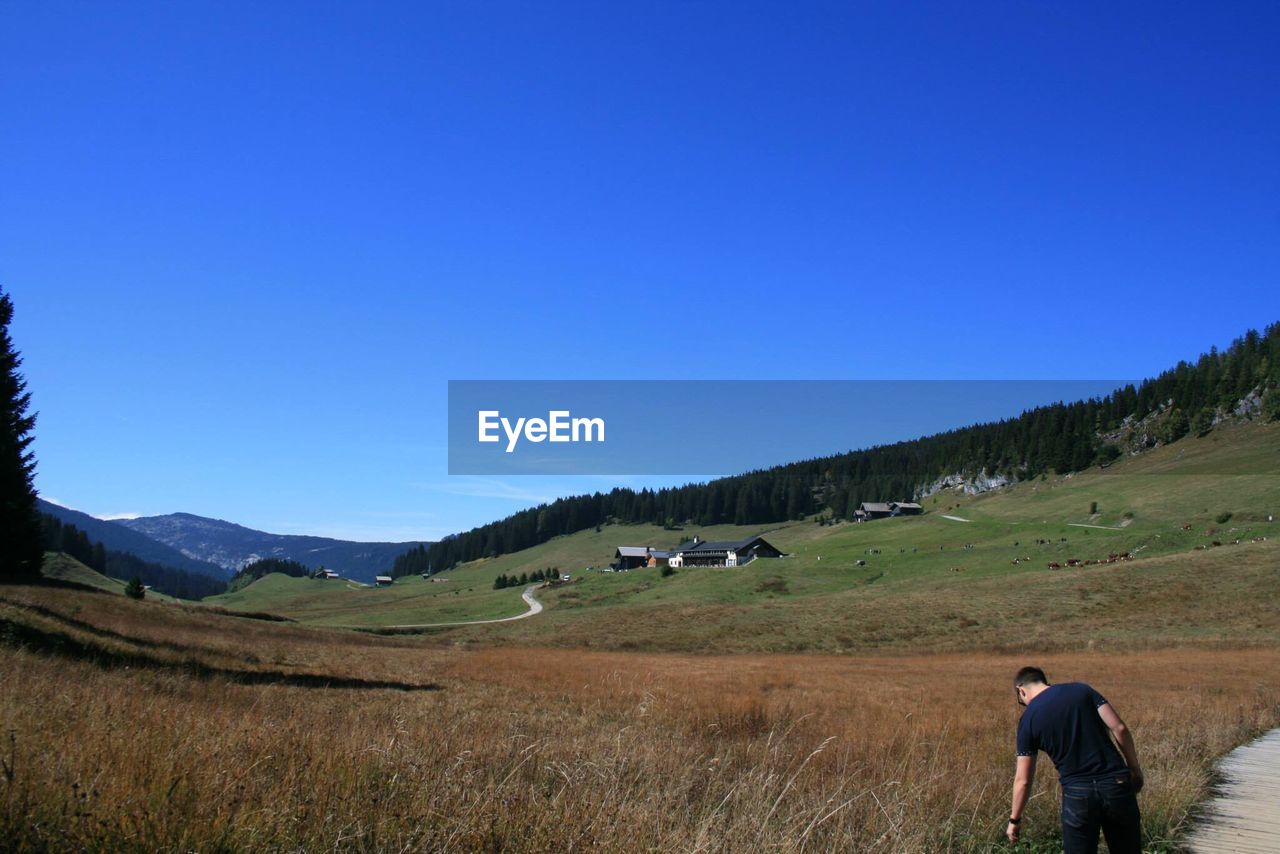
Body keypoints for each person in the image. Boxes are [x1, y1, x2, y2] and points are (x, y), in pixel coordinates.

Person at [1006, 667, 1144, 852]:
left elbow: (1023, 780)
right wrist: (1134, 768)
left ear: (1020, 690)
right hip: (1116, 783)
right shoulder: (1081, 690)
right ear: (1043, 681)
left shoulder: (1028, 719)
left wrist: (1014, 819)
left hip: (1077, 794)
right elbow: (1119, 728)